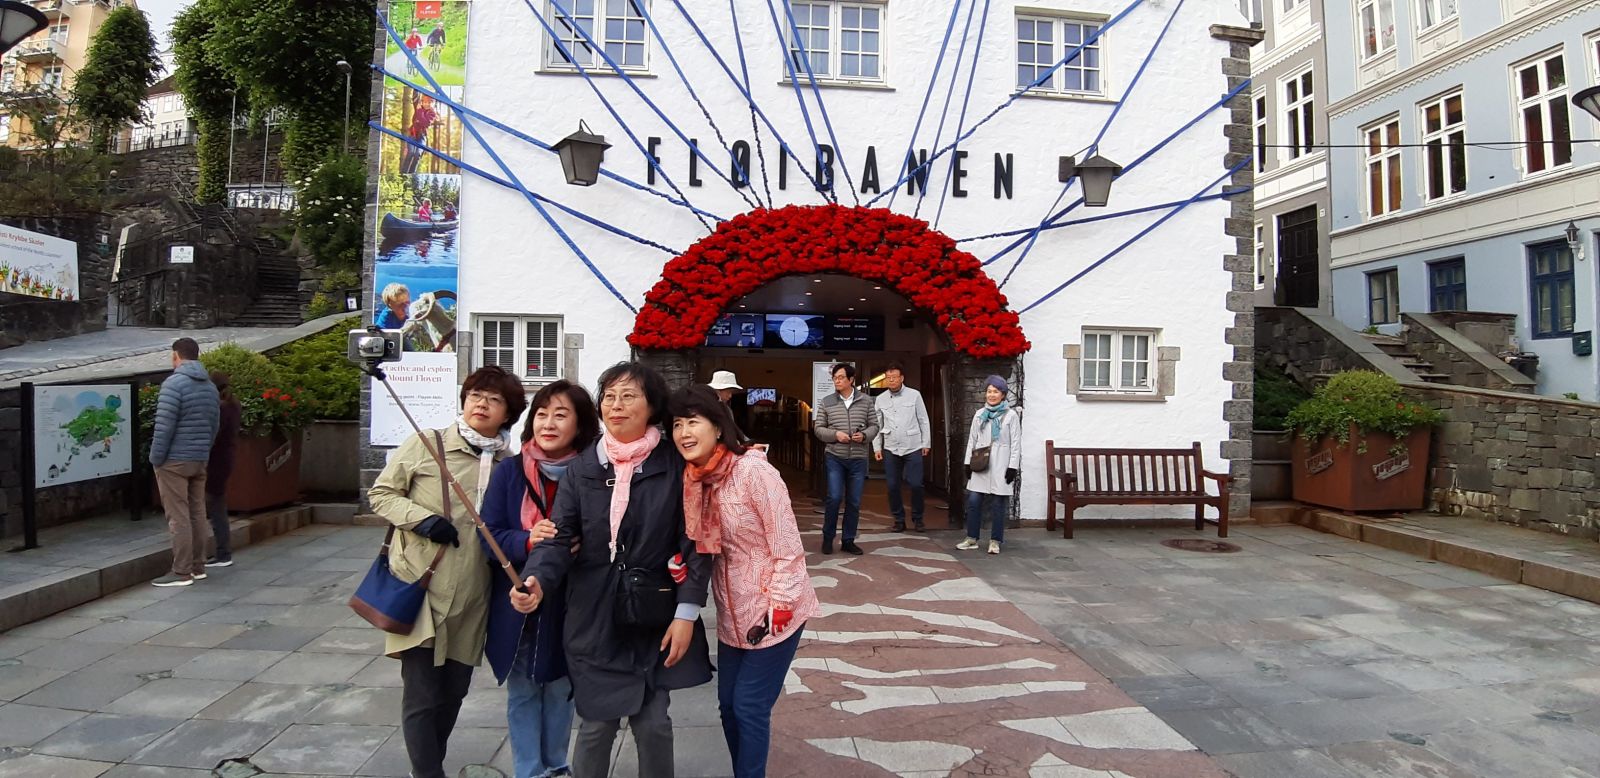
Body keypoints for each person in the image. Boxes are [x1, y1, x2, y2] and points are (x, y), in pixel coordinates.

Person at [515, 362, 713, 778]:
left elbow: (694, 544)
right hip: (594, 616)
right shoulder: (583, 468)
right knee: (596, 725)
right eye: (609, 397)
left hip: (653, 614)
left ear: (652, 406)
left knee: (654, 724)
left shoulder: (674, 466)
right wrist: (536, 579)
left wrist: (686, 614)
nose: (616, 405)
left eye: (628, 396)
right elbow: (559, 537)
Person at [368, 366, 524, 778]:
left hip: (474, 594)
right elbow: (381, 493)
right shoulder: (428, 444)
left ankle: (428, 763)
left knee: (453, 692)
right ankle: (427, 772)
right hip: (422, 587)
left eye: (494, 400)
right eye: (475, 395)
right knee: (421, 693)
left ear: (508, 413)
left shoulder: (509, 464)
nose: (481, 404)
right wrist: (421, 519)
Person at [670, 385, 819, 778]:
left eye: (693, 422)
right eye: (677, 424)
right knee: (729, 707)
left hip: (773, 612)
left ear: (718, 427)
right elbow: (699, 545)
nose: (684, 432)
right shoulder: (694, 479)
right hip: (731, 614)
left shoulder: (754, 472)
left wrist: (780, 605)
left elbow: (787, 546)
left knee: (750, 706)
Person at [483, 380, 599, 778]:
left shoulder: (593, 475)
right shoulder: (510, 472)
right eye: (542, 414)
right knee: (523, 690)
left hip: (571, 600)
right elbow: (488, 537)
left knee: (561, 687)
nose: (548, 424)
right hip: (519, 599)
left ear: (580, 424)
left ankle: (557, 764)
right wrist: (527, 540)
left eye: (561, 415)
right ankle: (529, 771)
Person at [149, 338, 221, 587]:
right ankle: (198, 565)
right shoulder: (210, 387)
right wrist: (204, 450)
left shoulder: (173, 384)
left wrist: (156, 458)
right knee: (197, 513)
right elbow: (215, 425)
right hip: (199, 458)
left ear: (176, 356)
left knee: (178, 516)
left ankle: (181, 571)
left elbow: (164, 426)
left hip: (174, 460)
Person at [813, 363, 877, 555]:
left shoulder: (866, 401)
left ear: (851, 379)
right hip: (835, 456)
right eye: (835, 378)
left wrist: (864, 435)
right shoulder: (827, 401)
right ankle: (828, 538)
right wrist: (835, 435)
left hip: (858, 458)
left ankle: (848, 540)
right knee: (834, 497)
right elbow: (818, 428)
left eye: (841, 377)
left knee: (854, 501)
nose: (837, 381)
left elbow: (874, 425)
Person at [958, 375, 1022, 555]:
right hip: (981, 462)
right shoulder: (980, 414)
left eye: (996, 392)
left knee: (998, 504)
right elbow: (972, 439)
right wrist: (967, 463)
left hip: (1001, 463)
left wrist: (1012, 467)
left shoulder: (1011, 416)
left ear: (1003, 395)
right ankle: (972, 538)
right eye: (989, 391)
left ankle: (995, 540)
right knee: (973, 501)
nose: (992, 395)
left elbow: (1016, 443)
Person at [872, 362, 931, 533]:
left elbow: (923, 419)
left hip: (913, 446)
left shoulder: (914, 395)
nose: (891, 380)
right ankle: (898, 519)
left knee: (916, 484)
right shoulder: (881, 399)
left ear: (902, 378)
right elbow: (877, 424)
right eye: (888, 377)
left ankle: (918, 519)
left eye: (894, 377)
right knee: (892, 486)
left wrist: (926, 443)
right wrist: (877, 447)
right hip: (891, 447)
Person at [203, 370, 242, 568]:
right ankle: (223, 552)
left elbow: (213, 436)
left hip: (216, 461)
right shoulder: (233, 405)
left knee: (215, 506)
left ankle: (223, 553)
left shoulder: (221, 409)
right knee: (217, 504)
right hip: (226, 459)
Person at [706, 369, 753, 446]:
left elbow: (733, 429)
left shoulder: (727, 409)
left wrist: (750, 443)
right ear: (719, 390)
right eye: (729, 392)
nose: (730, 396)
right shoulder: (704, 407)